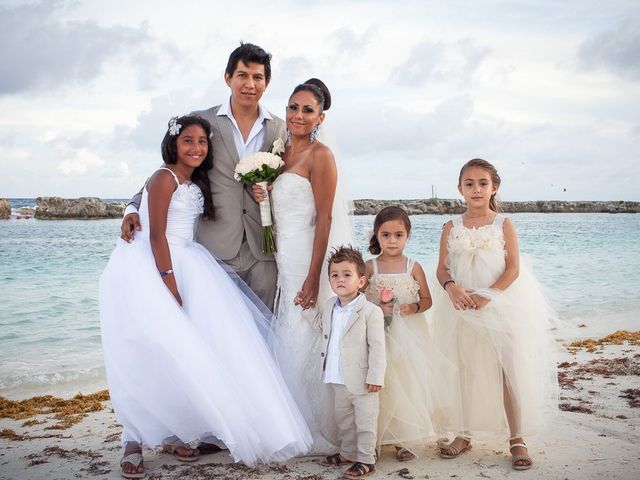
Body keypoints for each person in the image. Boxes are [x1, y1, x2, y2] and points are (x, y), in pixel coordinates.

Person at [100, 115, 312, 479]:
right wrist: (167, 279)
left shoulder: (195, 176)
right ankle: (132, 439)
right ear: (174, 144)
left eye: (201, 142)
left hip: (193, 263)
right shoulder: (164, 176)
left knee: (191, 353)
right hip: (155, 267)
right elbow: (155, 234)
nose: (197, 148)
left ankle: (174, 431)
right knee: (146, 351)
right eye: (188, 142)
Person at [120, 42, 284, 310]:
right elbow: (168, 170)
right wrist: (132, 207)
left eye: (257, 77)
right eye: (242, 75)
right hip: (215, 250)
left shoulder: (279, 129)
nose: (249, 84)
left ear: (267, 82)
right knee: (219, 330)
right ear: (228, 78)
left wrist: (273, 189)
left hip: (263, 250)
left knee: (266, 330)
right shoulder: (201, 122)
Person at [431, 158, 558, 470]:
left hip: (500, 303)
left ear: (494, 188)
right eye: (469, 184)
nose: (476, 189)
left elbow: (513, 269)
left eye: (482, 183)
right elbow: (441, 268)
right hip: (460, 304)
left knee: (508, 369)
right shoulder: (451, 226)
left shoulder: (504, 224)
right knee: (464, 367)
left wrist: (488, 296)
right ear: (459, 188)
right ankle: (463, 433)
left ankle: (517, 438)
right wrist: (451, 288)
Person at [251, 78, 354, 451]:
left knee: (308, 331)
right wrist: (262, 191)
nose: (297, 115)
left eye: (307, 109)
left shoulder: (320, 155)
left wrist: (314, 278)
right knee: (292, 330)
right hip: (284, 255)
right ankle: (291, 420)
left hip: (308, 257)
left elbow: (324, 219)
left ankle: (316, 426)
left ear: (320, 117)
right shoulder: (279, 152)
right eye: (293, 107)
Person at [364, 206, 450, 461]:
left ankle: (405, 437)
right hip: (379, 334)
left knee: (407, 381)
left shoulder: (414, 266)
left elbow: (427, 300)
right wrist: (378, 307)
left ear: (407, 235)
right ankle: (377, 436)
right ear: (377, 236)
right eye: (386, 235)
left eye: (398, 235)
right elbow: (357, 300)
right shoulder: (370, 267)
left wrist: (413, 307)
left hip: (410, 336)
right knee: (382, 380)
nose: (392, 240)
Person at [317, 246, 385, 479]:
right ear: (329, 280)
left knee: (365, 422)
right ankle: (347, 452)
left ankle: (366, 459)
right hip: (337, 376)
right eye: (335, 275)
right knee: (344, 420)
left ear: (361, 281)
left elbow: (377, 348)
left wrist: (376, 377)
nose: (340, 279)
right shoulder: (328, 308)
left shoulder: (370, 312)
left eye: (347, 274)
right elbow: (321, 330)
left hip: (363, 379)